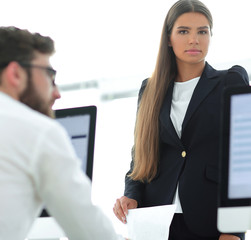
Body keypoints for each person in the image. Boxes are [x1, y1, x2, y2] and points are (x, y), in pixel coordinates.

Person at [113, 0, 250, 240]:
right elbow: (140, 159)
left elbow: (243, 162)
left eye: (202, 31)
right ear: (168, 38)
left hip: (210, 223)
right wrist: (130, 195)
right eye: (184, 31)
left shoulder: (231, 81)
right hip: (154, 222)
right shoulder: (150, 90)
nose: (194, 40)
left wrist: (235, 230)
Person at [0, 26, 125, 240]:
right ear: (15, 74)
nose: (56, 93)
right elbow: (88, 230)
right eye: (49, 75)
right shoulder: (37, 130)